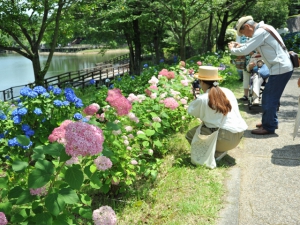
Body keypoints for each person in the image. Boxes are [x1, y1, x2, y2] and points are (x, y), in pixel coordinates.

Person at [228, 16, 293, 135]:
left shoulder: (260, 32)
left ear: (247, 26)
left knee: (269, 98)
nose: (245, 36)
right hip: (281, 67)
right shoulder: (265, 28)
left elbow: (245, 51)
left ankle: (268, 127)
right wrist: (240, 45)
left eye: (243, 33)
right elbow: (252, 46)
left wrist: (232, 49)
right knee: (270, 97)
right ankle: (270, 122)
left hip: (280, 68)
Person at [186, 66, 247, 159]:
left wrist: (196, 97)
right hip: (238, 136)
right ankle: (219, 150)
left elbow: (191, 111)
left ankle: (215, 153)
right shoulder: (227, 91)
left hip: (225, 139)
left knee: (190, 135)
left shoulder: (203, 98)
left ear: (201, 82)